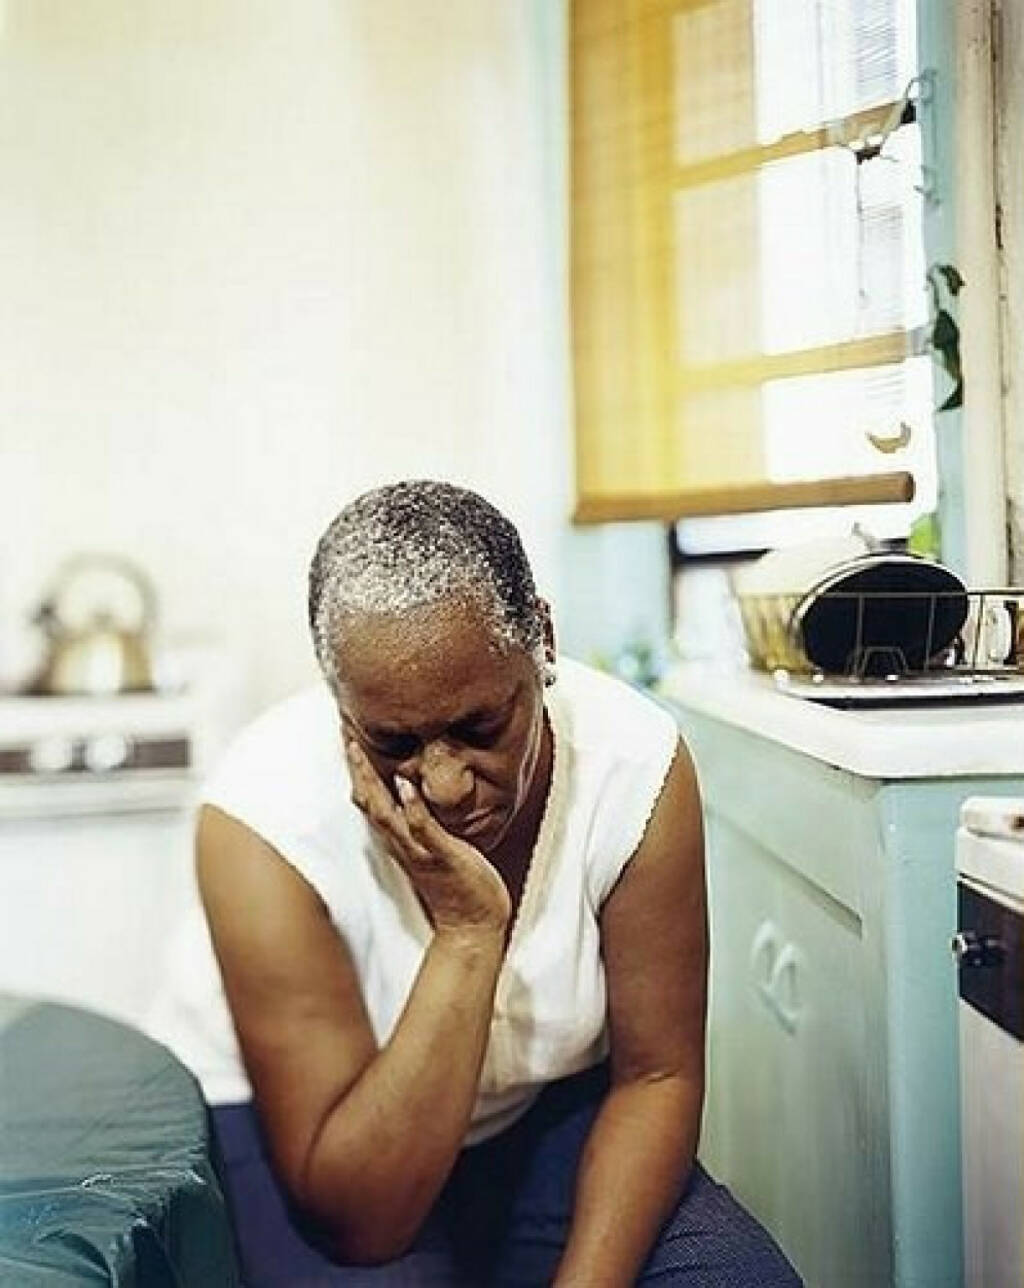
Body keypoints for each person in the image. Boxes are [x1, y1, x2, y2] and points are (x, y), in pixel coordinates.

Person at [150, 480, 800, 1286]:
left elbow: (656, 1077)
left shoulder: (635, 769)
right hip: (319, 1146)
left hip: (538, 1112)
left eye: (481, 727)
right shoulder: (260, 820)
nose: (447, 784)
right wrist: (468, 930)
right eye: (393, 743)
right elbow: (363, 1220)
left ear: (544, 644)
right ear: (342, 709)